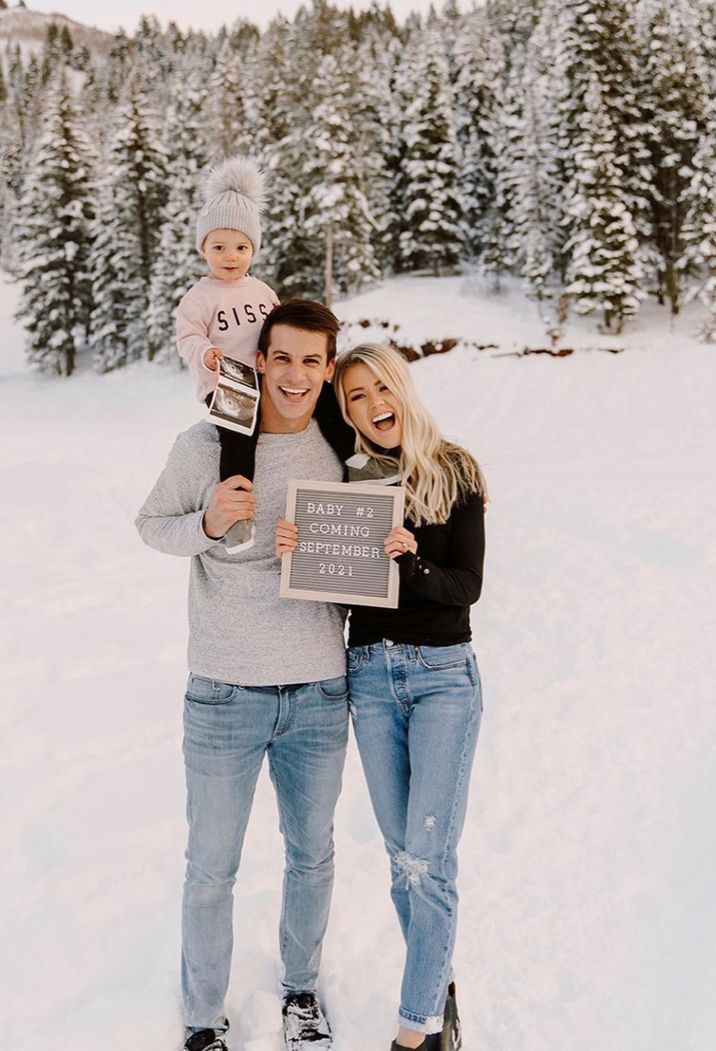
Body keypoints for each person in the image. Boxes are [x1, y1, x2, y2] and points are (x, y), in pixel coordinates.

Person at [136, 301, 351, 1051]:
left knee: (312, 852)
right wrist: (205, 523)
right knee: (211, 866)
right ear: (259, 360)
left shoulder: (339, 445)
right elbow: (150, 524)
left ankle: (301, 989)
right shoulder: (208, 444)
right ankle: (201, 1018)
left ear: (329, 368)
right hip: (225, 691)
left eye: (311, 362)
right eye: (282, 358)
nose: (296, 375)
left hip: (321, 690)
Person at [277, 343, 486, 1051]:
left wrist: (412, 559)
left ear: (402, 386)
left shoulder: (453, 468)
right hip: (368, 675)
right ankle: (439, 984)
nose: (372, 405)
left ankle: (417, 1028)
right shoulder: (349, 476)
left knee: (430, 858)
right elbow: (344, 593)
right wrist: (301, 551)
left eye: (379, 389)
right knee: (403, 859)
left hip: (442, 677)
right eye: (356, 397)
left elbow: (465, 588)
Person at [176, 157, 353, 550]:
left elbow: (281, 329)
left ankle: (358, 465)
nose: (230, 256)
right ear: (204, 248)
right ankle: (238, 518)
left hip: (268, 377)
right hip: (229, 382)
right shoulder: (200, 297)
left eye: (241, 247)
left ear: (253, 250)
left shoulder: (261, 291)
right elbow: (186, 336)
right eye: (219, 247)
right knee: (240, 441)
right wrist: (204, 353)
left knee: (326, 404)